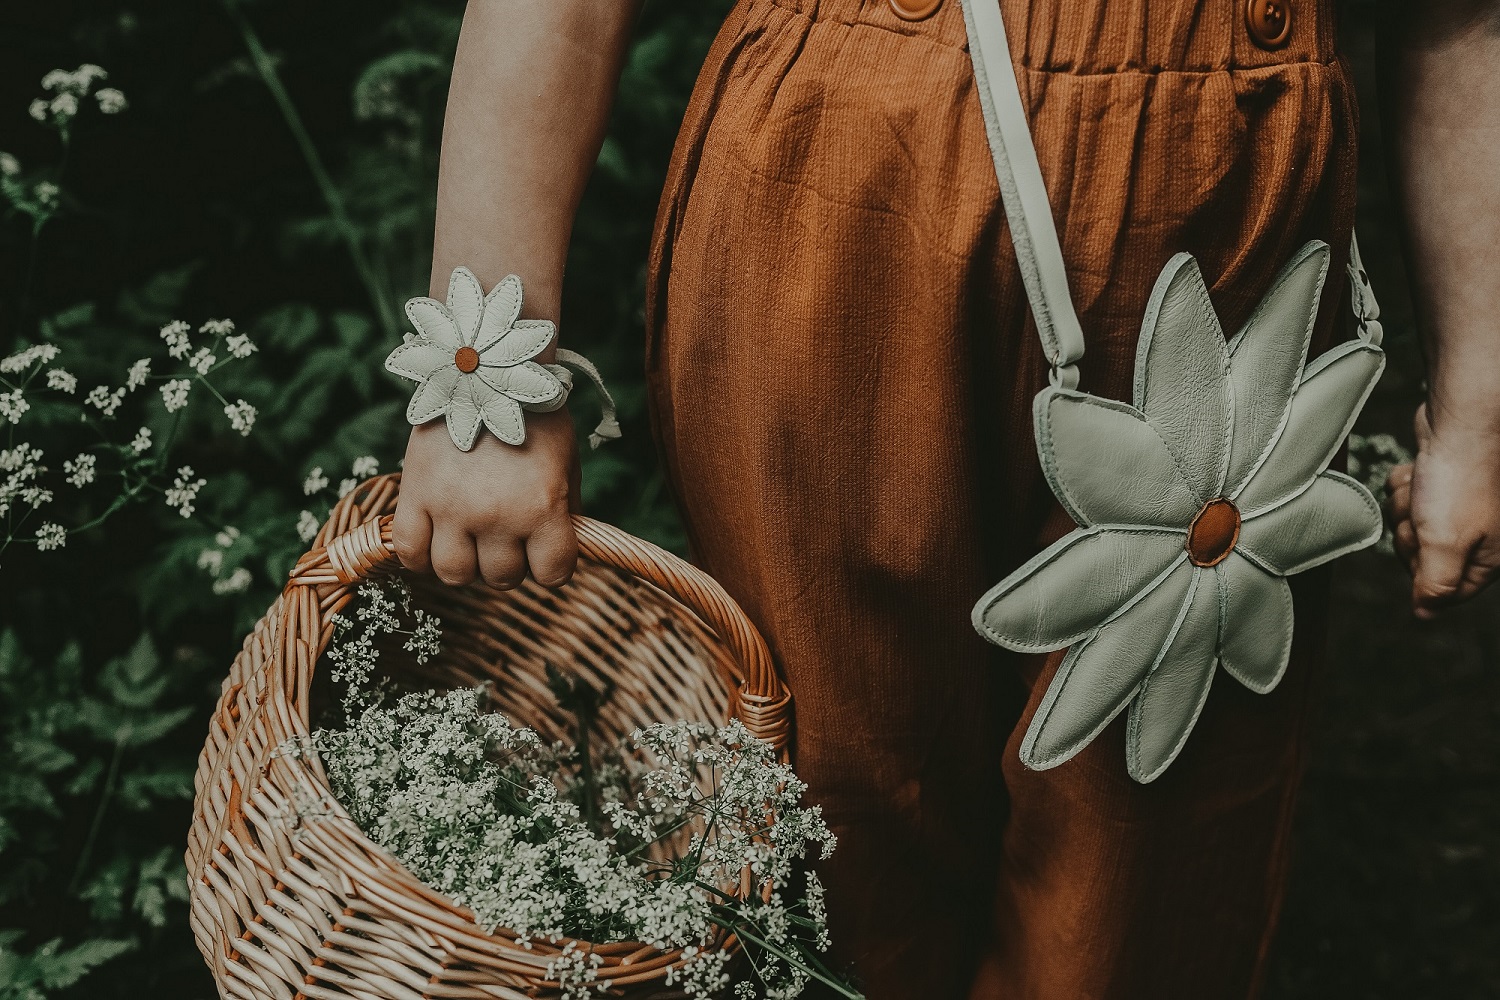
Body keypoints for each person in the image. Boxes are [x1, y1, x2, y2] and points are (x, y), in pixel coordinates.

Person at [390, 1, 1500, 997]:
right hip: (840, 188)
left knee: (1150, 857)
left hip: (1228, 229)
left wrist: (1479, 403)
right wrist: (478, 382)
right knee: (825, 822)